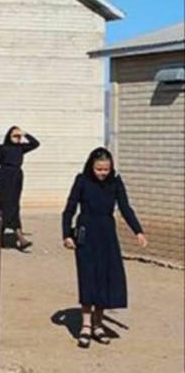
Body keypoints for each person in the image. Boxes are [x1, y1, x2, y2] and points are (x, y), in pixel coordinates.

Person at [62, 147, 147, 348]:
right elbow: (69, 208)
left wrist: (138, 231)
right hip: (86, 233)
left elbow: (125, 207)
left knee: (106, 278)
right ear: (91, 166)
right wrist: (66, 234)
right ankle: (85, 325)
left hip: (107, 234)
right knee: (88, 277)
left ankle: (98, 323)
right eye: (99, 169)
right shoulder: (82, 181)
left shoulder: (116, 182)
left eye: (106, 169)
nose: (102, 173)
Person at [0, 126, 39, 250]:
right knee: (12, 205)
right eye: (15, 136)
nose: (17, 138)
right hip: (4, 177)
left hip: (17, 177)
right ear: (9, 136)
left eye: (19, 136)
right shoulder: (0, 148)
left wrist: (24, 133)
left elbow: (36, 143)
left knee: (5, 205)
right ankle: (20, 236)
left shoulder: (21, 148)